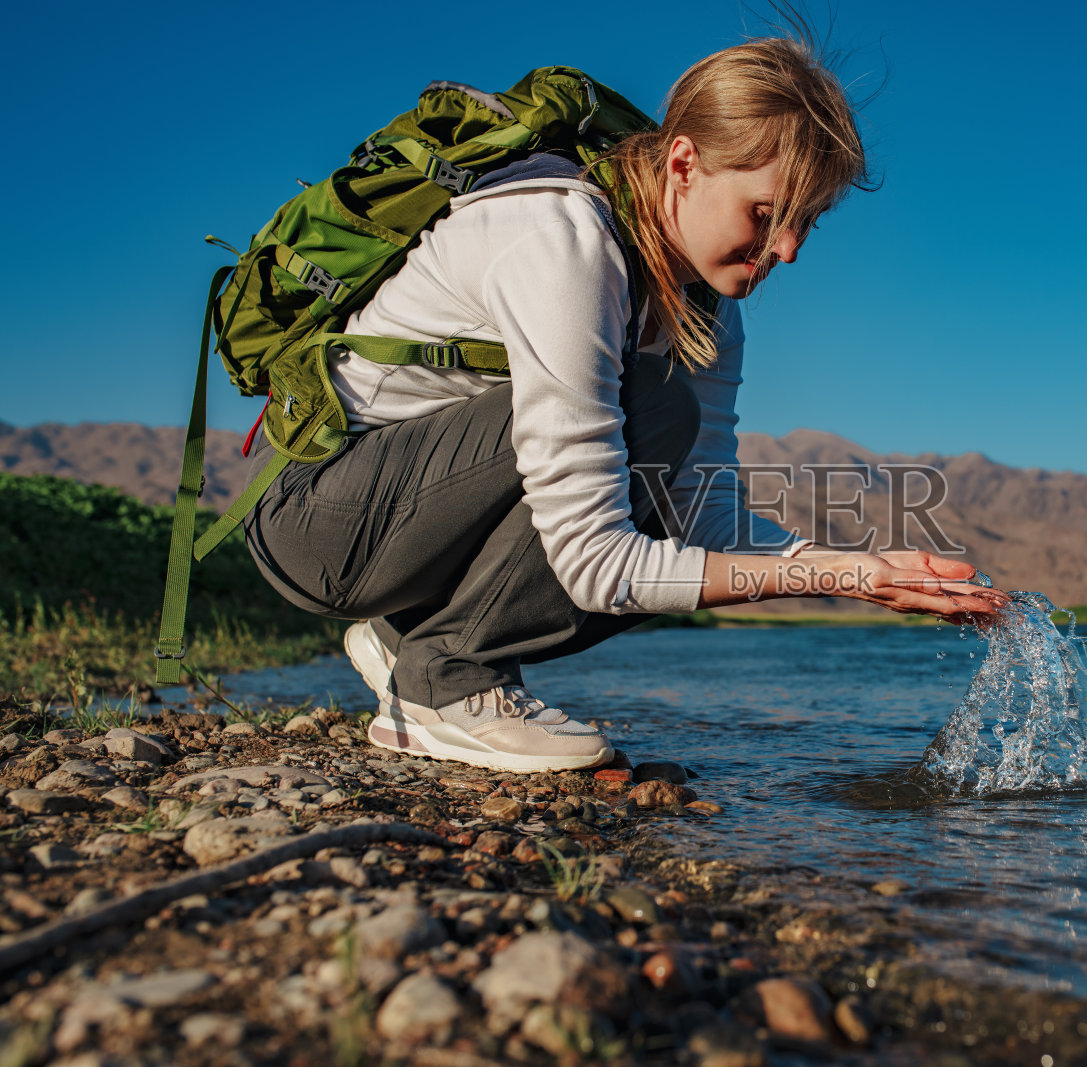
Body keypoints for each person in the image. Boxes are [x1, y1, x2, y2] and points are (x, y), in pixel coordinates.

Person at [241, 33, 997, 774]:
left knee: (664, 430)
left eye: (808, 221)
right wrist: (819, 576)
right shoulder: (563, 242)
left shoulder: (706, 305)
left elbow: (700, 513)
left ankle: (414, 639)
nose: (790, 248)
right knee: (656, 409)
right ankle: (445, 682)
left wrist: (860, 573)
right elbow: (596, 567)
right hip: (320, 524)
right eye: (767, 212)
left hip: (411, 523)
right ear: (683, 164)